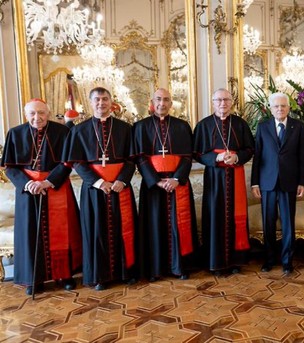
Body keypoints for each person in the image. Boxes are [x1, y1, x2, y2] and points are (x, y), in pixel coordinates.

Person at [1, 99, 82, 295]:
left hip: (56, 187)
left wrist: (48, 181)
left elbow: (67, 163)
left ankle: (64, 275)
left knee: (62, 232)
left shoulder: (62, 132)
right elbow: (9, 167)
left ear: (49, 112)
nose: (37, 118)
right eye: (32, 114)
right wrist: (27, 183)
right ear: (26, 114)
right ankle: (33, 279)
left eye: (41, 113)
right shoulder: (15, 133)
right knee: (31, 233)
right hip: (28, 191)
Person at [63, 87, 137, 290]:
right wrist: (98, 182)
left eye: (105, 99)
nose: (101, 103)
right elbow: (77, 162)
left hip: (120, 188)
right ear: (90, 102)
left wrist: (122, 180)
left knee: (124, 229)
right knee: (96, 232)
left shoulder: (124, 128)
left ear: (111, 101)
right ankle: (99, 277)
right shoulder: (79, 130)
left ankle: (126, 272)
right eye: (97, 99)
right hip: (94, 190)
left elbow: (131, 160)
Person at [133, 88, 198, 281]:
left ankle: (181, 266)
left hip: (177, 184)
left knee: (180, 225)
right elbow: (139, 157)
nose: (162, 103)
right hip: (154, 186)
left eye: (166, 100)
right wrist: (157, 181)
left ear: (171, 103)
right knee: (154, 224)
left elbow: (188, 156)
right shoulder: (140, 127)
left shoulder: (182, 126)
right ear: (152, 101)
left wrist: (176, 179)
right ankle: (156, 269)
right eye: (159, 99)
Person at [193, 88, 254, 275]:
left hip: (235, 174)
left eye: (226, 100)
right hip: (215, 178)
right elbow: (197, 153)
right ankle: (216, 261)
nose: (222, 103)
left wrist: (237, 158)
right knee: (215, 217)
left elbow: (250, 148)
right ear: (212, 102)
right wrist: (217, 159)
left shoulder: (241, 124)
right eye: (218, 100)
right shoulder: (203, 125)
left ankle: (236, 261)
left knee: (236, 216)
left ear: (231, 102)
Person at [251, 92, 304, 274]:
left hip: (289, 182)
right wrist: (254, 183)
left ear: (289, 108)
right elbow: (257, 157)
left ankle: (287, 261)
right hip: (267, 183)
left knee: (288, 223)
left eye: (283, 106)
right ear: (271, 108)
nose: (280, 109)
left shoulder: (298, 127)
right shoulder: (263, 127)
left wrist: (302, 182)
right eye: (276, 106)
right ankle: (268, 260)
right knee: (268, 223)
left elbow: (302, 157)